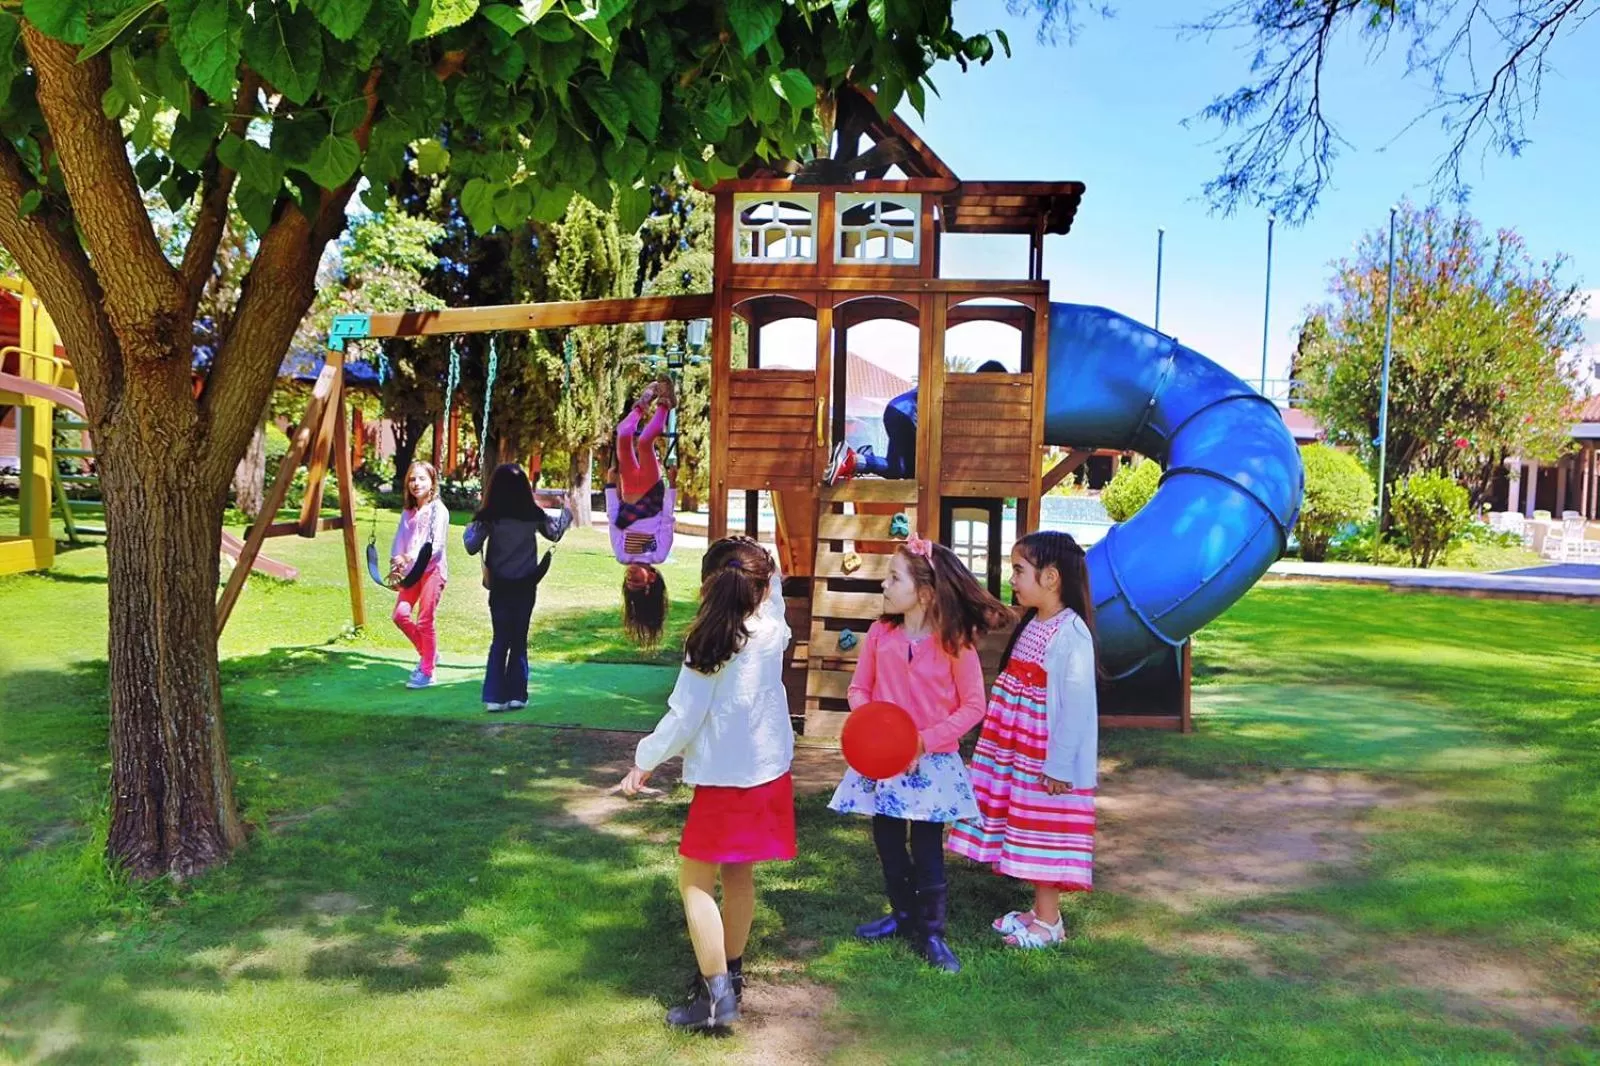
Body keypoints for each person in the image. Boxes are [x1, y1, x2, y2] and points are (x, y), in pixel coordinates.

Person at [618, 536, 794, 1032]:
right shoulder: (773, 628)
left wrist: (643, 761)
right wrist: (765, 559)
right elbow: (773, 586)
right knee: (739, 877)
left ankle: (716, 999)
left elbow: (682, 719)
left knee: (695, 883)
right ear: (761, 588)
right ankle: (729, 980)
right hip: (766, 774)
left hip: (724, 782)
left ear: (707, 587)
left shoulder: (709, 644)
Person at [827, 533, 1007, 973]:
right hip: (882, 764)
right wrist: (875, 729)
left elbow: (973, 706)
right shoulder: (879, 634)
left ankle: (932, 932)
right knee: (887, 841)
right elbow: (858, 689)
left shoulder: (955, 643)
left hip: (932, 763)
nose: (883, 586)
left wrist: (923, 740)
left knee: (927, 848)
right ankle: (903, 915)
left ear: (924, 593)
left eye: (893, 578)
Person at [948, 531, 1099, 950]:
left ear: (1051, 578)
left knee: (1045, 830)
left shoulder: (1072, 633)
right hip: (1018, 751)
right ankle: (1039, 910)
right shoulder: (1036, 621)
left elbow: (1076, 707)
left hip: (1044, 757)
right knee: (1029, 827)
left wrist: (1059, 765)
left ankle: (1050, 923)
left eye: (1019, 570)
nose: (1012, 578)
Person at [462, 463, 573, 712]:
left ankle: (493, 696)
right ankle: (517, 695)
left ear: (494, 490)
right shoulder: (532, 515)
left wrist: (472, 526)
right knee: (519, 638)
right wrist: (567, 514)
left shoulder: (489, 517)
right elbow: (554, 533)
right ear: (524, 489)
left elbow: (470, 545)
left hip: (499, 586)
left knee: (500, 638)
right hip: (526, 585)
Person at [830, 360, 1009, 483]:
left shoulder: (961, 386)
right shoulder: (969, 392)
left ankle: (860, 458)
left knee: (897, 469)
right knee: (908, 471)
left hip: (896, 408)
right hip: (906, 415)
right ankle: (856, 459)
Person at [607, 379, 676, 645]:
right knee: (645, 442)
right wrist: (672, 486)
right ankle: (664, 405)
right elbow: (668, 520)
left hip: (628, 493)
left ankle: (643, 403)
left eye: (629, 582)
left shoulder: (622, 553)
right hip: (650, 494)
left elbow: (614, 521)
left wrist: (610, 486)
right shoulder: (658, 553)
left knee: (623, 433)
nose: (632, 577)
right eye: (638, 582)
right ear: (652, 579)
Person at [390, 460, 450, 689]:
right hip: (412, 573)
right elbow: (400, 539)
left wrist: (409, 557)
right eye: (412, 479)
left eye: (422, 478)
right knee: (400, 615)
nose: (416, 483)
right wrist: (397, 560)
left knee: (425, 621)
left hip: (432, 571)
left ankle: (427, 672)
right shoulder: (408, 511)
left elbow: (435, 546)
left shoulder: (439, 510)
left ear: (432, 482)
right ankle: (428, 654)